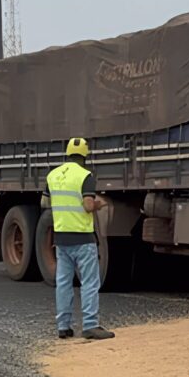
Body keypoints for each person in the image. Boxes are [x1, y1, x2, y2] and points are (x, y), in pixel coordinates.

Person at [47, 138, 112, 341]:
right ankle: (91, 325)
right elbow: (87, 205)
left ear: (67, 153)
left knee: (64, 282)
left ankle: (63, 327)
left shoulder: (52, 175)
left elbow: (44, 202)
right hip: (83, 238)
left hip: (61, 237)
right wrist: (99, 204)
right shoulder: (86, 176)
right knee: (90, 282)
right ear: (85, 155)